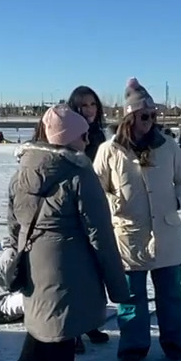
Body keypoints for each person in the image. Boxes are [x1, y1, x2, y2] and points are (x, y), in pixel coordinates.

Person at [6, 104, 132, 361]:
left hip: (34, 262)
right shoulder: (79, 174)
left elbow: (13, 223)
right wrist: (117, 286)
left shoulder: (24, 171)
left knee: (42, 328)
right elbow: (100, 234)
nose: (88, 138)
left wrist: (16, 252)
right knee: (62, 331)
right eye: (83, 133)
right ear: (67, 138)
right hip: (70, 265)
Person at [95, 78, 181, 361]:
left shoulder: (167, 146)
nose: (150, 121)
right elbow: (96, 186)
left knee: (171, 296)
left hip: (166, 233)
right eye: (144, 116)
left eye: (153, 115)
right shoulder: (110, 150)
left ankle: (178, 344)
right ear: (129, 116)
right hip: (129, 233)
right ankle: (133, 347)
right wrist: (112, 202)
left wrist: (177, 200)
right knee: (130, 298)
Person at [66, 85, 111, 345]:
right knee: (74, 271)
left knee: (95, 268)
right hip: (73, 209)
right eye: (83, 105)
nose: (89, 110)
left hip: (96, 204)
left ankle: (91, 322)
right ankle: (72, 332)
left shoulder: (98, 135)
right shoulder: (67, 135)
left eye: (93, 104)